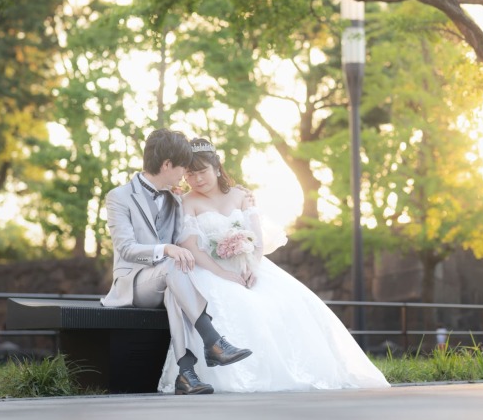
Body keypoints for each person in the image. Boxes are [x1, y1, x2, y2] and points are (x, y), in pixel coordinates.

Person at [157, 137, 390, 393]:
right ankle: (225, 364)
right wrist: (223, 272)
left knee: (284, 304)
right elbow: (191, 246)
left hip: (247, 266)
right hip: (209, 268)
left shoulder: (241, 195)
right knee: (240, 305)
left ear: (217, 168)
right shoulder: (189, 202)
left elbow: (254, 238)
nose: (197, 180)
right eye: (190, 175)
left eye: (202, 172)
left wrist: (251, 267)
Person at [102, 129, 252, 395]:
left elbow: (187, 240)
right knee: (173, 267)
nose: (186, 174)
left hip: (169, 281)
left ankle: (186, 373)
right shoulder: (119, 197)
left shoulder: (174, 199)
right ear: (167, 164)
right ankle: (213, 341)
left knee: (175, 280)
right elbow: (126, 248)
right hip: (135, 283)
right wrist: (166, 249)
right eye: (183, 167)